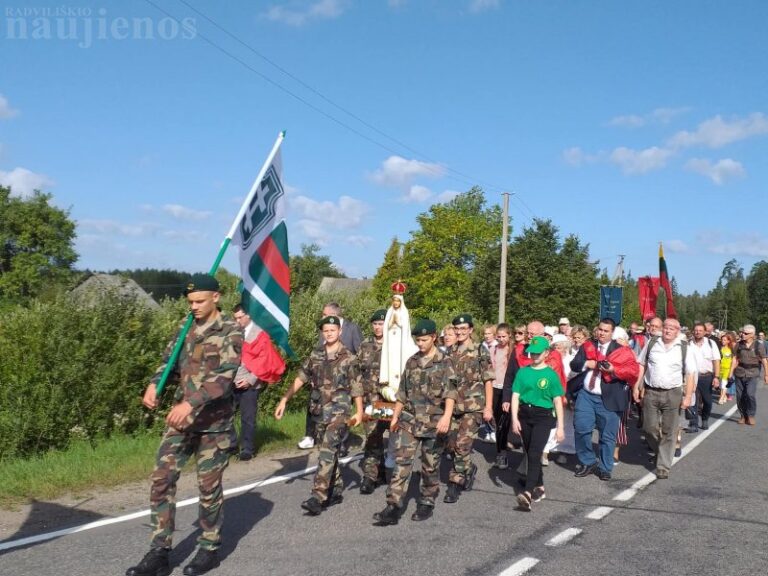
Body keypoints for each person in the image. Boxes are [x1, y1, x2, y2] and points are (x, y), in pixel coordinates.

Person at [126, 274, 243, 576]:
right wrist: (155, 385)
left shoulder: (230, 330)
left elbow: (224, 378)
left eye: (199, 301)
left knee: (208, 487)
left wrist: (190, 403)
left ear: (216, 297)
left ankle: (208, 548)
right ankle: (159, 552)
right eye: (190, 302)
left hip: (213, 424)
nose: (193, 307)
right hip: (181, 422)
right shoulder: (185, 326)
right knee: (161, 479)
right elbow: (168, 361)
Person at [275, 316, 363, 515]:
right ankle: (337, 487)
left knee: (327, 448)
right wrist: (284, 399)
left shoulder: (349, 357)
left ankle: (318, 496)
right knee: (328, 451)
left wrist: (359, 412)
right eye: (326, 330)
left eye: (333, 330)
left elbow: (357, 386)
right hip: (320, 410)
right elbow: (301, 378)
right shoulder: (315, 355)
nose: (329, 333)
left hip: (340, 411)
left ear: (340, 331)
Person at [372, 319, 457, 525]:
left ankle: (427, 501)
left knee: (430, 466)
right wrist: (394, 418)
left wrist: (446, 417)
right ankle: (393, 506)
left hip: (434, 423)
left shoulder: (445, 362)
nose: (420, 343)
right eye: (418, 340)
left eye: (424, 340)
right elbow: (402, 393)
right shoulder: (411, 362)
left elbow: (451, 393)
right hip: (409, 421)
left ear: (434, 338)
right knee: (402, 463)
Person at [570, 319, 638, 481]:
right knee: (581, 428)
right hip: (586, 395)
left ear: (612, 333)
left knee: (607, 436)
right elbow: (575, 365)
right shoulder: (589, 346)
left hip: (609, 398)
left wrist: (614, 369)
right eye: (600, 329)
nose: (601, 333)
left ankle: (605, 467)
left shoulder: (622, 350)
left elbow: (632, 371)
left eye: (606, 331)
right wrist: (589, 363)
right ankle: (588, 461)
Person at [504, 336, 565, 510]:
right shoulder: (523, 372)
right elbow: (515, 395)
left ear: (546, 353)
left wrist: (560, 427)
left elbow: (557, 401)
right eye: (532, 352)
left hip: (543, 417)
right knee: (530, 451)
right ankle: (540, 486)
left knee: (534, 452)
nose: (534, 355)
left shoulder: (551, 375)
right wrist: (514, 419)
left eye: (538, 353)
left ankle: (528, 493)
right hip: (525, 414)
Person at [633, 318, 697, 479]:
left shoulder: (684, 347)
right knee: (648, 428)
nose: (668, 331)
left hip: (673, 393)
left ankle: (663, 466)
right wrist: (637, 386)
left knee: (669, 430)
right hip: (651, 391)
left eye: (671, 328)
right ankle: (661, 451)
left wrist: (688, 396)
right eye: (666, 328)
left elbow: (690, 373)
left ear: (677, 331)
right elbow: (642, 364)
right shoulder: (653, 343)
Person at [297, 302, 363, 450]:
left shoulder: (352, 328)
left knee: (341, 416)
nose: (323, 317)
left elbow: (360, 353)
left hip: (343, 381)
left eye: (325, 314)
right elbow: (319, 352)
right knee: (316, 408)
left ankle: (342, 441)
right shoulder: (325, 330)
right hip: (322, 382)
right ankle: (312, 436)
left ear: (334, 315)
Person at [444, 314, 494, 503]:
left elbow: (488, 380)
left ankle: (455, 483)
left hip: (473, 406)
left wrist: (488, 407)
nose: (460, 332)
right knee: (450, 443)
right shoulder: (450, 351)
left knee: (462, 445)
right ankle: (467, 468)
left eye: (463, 328)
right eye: (457, 329)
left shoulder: (480, 351)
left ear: (471, 330)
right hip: (453, 405)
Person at [229, 304, 285, 461]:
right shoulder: (233, 333)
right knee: (226, 414)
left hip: (250, 382)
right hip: (232, 381)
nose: (237, 321)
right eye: (235, 318)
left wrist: (250, 379)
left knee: (247, 417)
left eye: (240, 317)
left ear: (249, 316)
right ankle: (232, 445)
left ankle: (248, 448)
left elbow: (265, 360)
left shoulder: (260, 335)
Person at [357, 309, 388, 494]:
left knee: (398, 440)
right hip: (372, 403)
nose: (378, 327)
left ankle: (384, 472)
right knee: (372, 437)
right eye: (375, 324)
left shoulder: (396, 346)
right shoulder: (365, 345)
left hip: (391, 404)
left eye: (381, 324)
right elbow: (358, 373)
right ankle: (371, 476)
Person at [380, 284, 419, 402]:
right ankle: (390, 391)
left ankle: (401, 390)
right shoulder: (389, 312)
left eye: (398, 301)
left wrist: (399, 322)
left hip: (401, 345)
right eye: (394, 301)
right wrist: (392, 322)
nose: (396, 303)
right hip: (391, 345)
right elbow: (386, 327)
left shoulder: (404, 312)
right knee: (391, 365)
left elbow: (406, 329)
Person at [730, 324, 768, 425]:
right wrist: (730, 374)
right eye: (742, 332)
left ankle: (751, 415)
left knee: (750, 394)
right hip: (739, 372)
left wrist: (766, 375)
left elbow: (764, 360)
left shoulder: (758, 345)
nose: (742, 334)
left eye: (745, 333)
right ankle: (743, 416)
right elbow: (734, 359)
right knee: (740, 396)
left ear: (752, 335)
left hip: (753, 373)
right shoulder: (738, 345)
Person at [688, 322, 721, 431]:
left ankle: (705, 418)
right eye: (696, 330)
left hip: (706, 377)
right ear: (693, 331)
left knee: (707, 401)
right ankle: (693, 424)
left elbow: (716, 360)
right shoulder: (688, 344)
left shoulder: (711, 343)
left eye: (700, 330)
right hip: (691, 377)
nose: (697, 332)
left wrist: (716, 377)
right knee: (693, 400)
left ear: (705, 332)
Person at [490, 323, 513, 469]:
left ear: (509, 335)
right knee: (497, 421)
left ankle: (502, 451)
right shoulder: (493, 349)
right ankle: (501, 448)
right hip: (494, 388)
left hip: (508, 389)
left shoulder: (512, 350)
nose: (501, 339)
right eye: (498, 336)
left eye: (504, 336)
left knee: (505, 422)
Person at [717, 332, 735, 404]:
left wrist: (732, 369)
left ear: (728, 341)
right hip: (720, 368)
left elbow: (733, 360)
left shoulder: (731, 349)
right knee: (721, 384)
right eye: (722, 340)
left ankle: (721, 398)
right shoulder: (720, 349)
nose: (723, 341)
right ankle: (724, 397)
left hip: (727, 369)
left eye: (725, 340)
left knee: (724, 384)